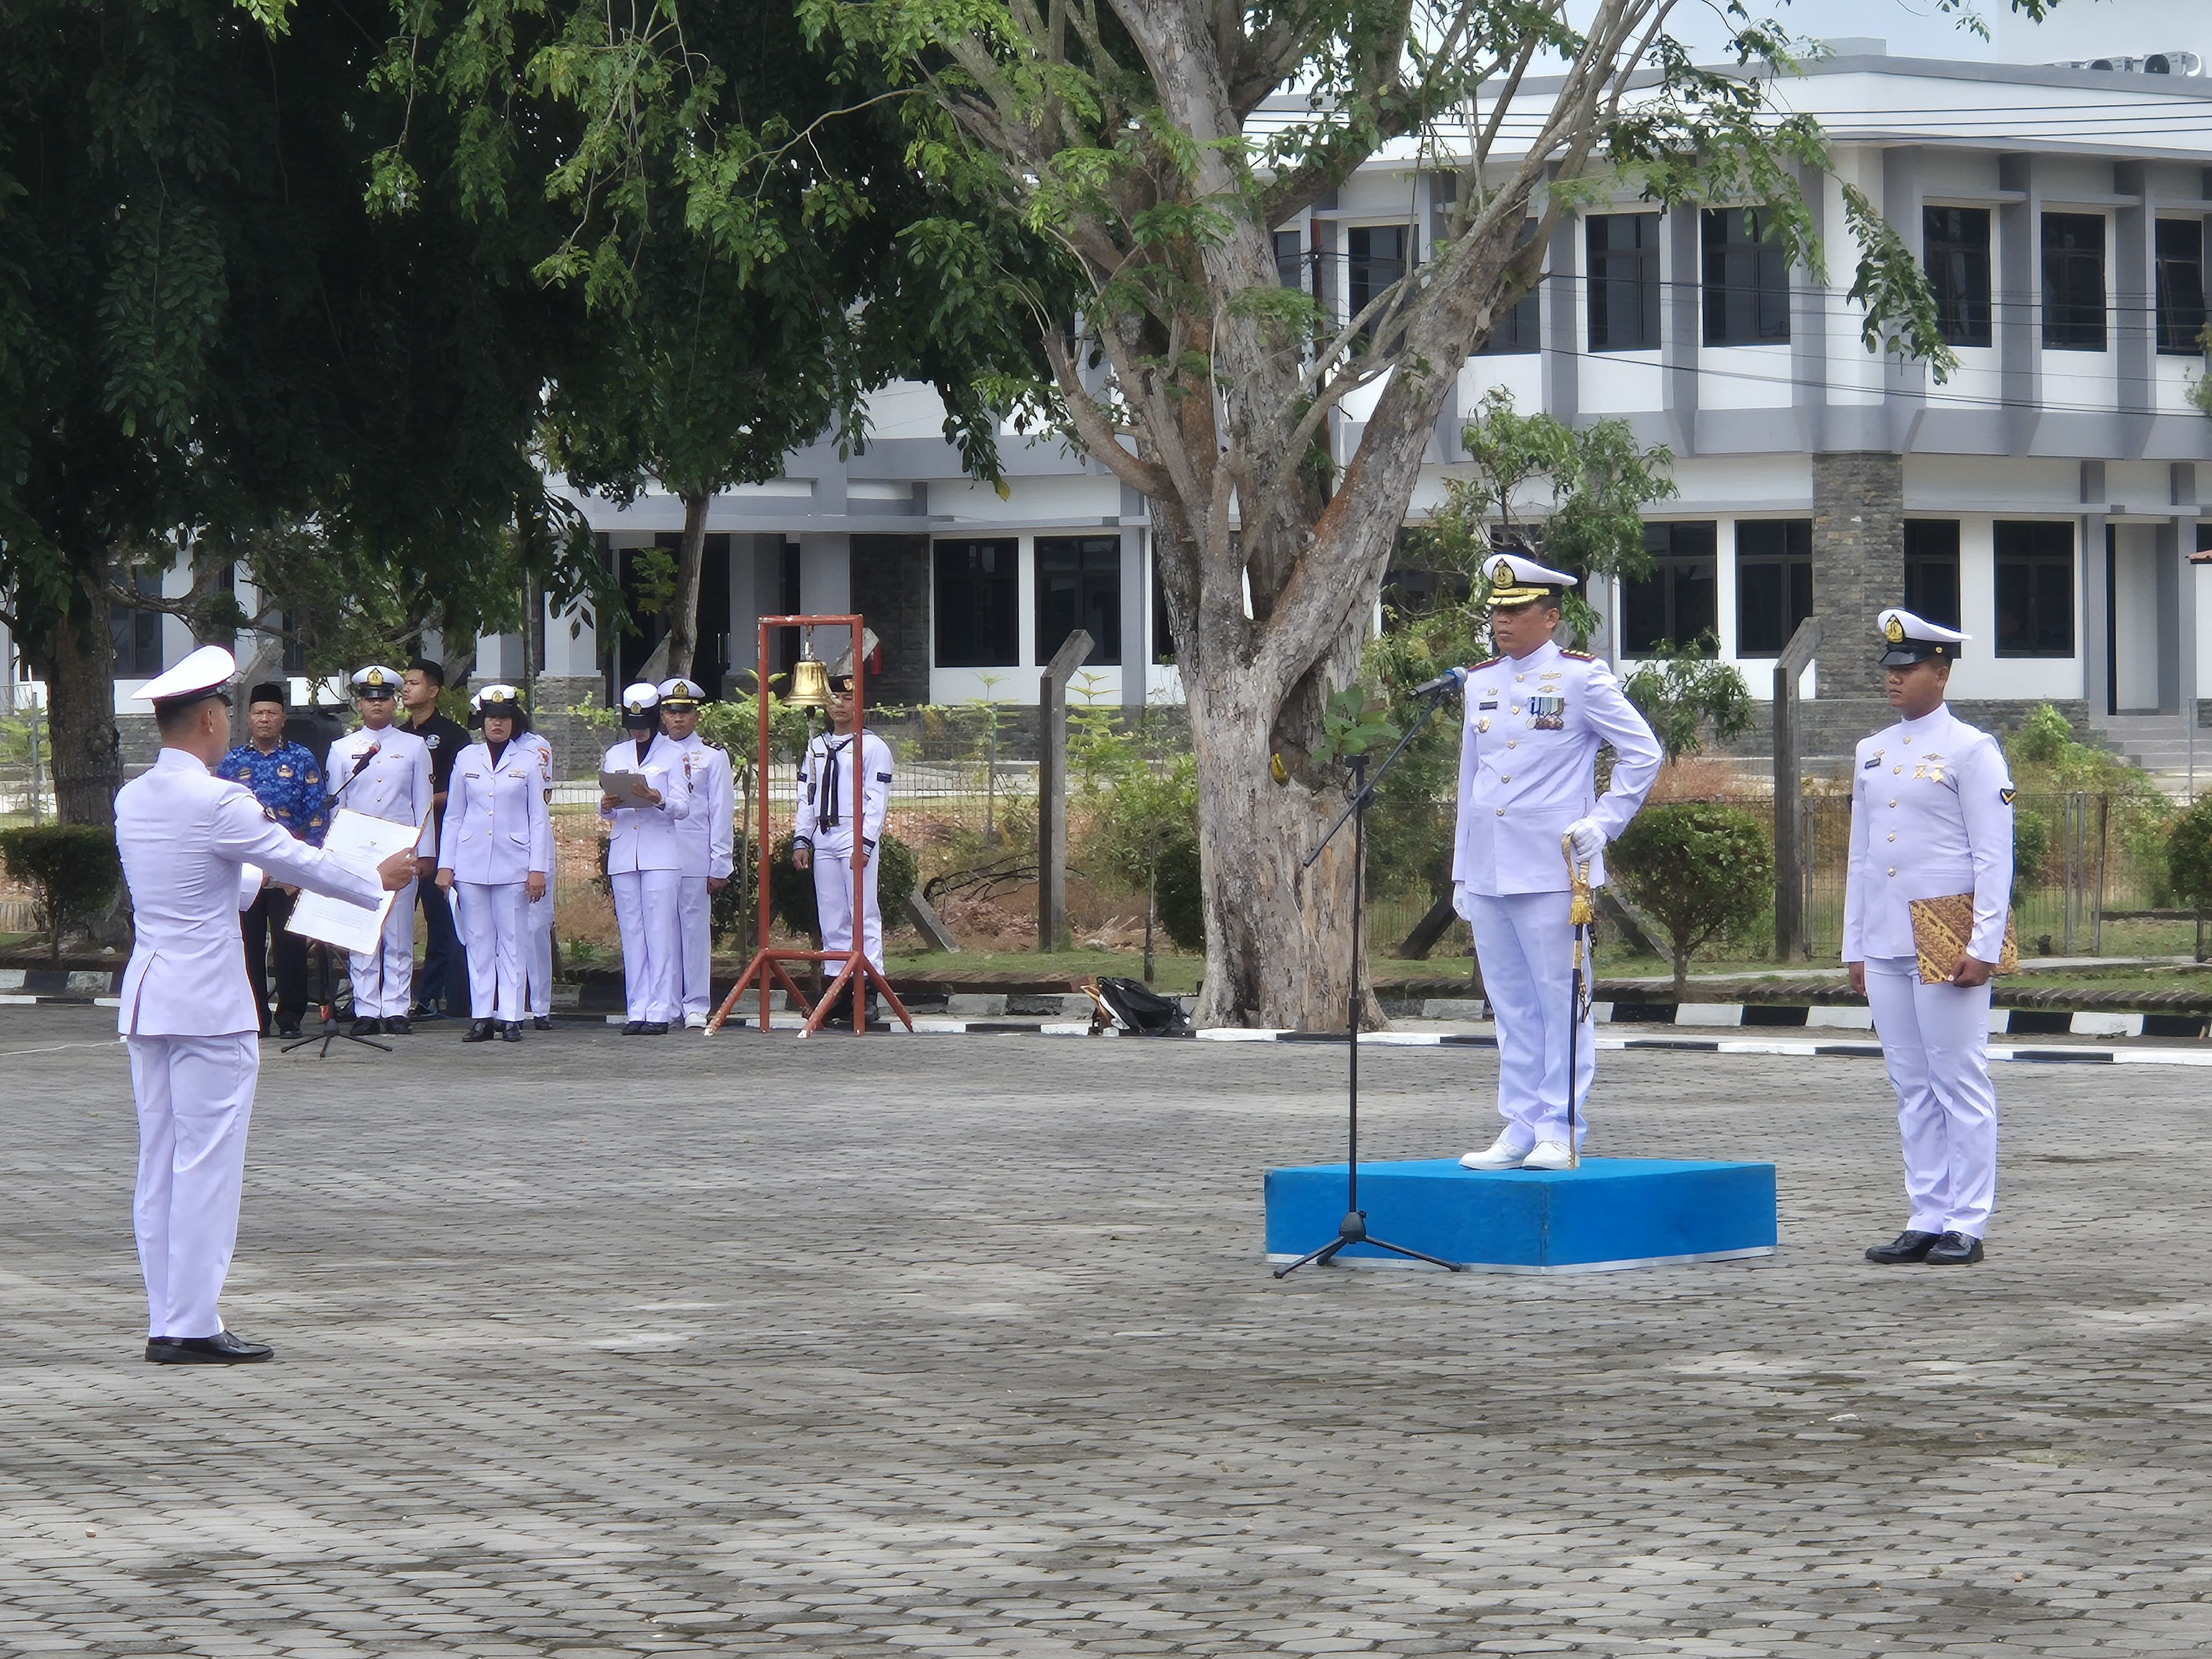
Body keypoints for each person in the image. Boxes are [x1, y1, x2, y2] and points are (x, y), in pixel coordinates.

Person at [117, 645, 416, 1364]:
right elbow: (295, 858)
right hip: (209, 1007)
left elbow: (212, 873)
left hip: (151, 998)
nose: (230, 722)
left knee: (159, 1164)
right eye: (226, 711)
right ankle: (192, 1323)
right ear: (210, 719)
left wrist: (266, 876)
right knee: (207, 1168)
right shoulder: (220, 799)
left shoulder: (135, 796)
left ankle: (166, 1317)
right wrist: (372, 877)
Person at [1452, 549, 1662, 1172]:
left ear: (1550, 617)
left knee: (1561, 1002)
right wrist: (1461, 869)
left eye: (1517, 611)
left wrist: (1604, 821)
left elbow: (1643, 752)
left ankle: (1560, 1125)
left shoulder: (1581, 679)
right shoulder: (1480, 682)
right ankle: (1520, 1124)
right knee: (1510, 1005)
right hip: (1490, 867)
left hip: (1552, 869)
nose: (1502, 621)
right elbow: (1470, 781)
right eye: (1497, 611)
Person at [1845, 608, 2015, 1268]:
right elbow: (1861, 856)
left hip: (1946, 928)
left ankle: (1966, 1221)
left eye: (1908, 668)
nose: (1894, 679)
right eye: (1889, 668)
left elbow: (1993, 856)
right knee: (1910, 1082)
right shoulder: (1872, 749)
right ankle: (1926, 1214)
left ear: (1940, 675)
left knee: (1958, 1078)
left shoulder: (1971, 749)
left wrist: (1984, 944)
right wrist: (1854, 945)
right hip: (1886, 932)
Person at [437, 685, 552, 1043]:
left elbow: (538, 819)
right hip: (471, 862)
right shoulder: (467, 758)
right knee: (478, 942)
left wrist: (537, 869)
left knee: (513, 941)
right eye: (491, 718)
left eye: (504, 718)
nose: (497, 724)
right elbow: (454, 815)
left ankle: (512, 1016)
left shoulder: (528, 760)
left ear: (514, 721)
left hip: (514, 863)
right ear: (482, 722)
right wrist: (446, 864)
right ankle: (482, 1015)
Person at [213, 682, 326, 1039]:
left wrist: (302, 870)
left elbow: (317, 816)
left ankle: (290, 1018)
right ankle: (255, 1017)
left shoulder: (302, 759)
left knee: (290, 945)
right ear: (248, 718)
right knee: (246, 945)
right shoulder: (232, 762)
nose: (265, 719)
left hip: (287, 869)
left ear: (283, 719)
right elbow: (218, 818)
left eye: (272, 713)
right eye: (259, 713)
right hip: (245, 871)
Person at [792, 666, 893, 1017]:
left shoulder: (872, 747)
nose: (840, 705)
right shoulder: (817, 746)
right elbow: (807, 795)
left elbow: (876, 800)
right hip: (824, 834)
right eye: (834, 698)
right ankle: (837, 988)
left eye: (848, 698)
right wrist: (801, 838)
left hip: (854, 831)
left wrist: (865, 843)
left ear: (860, 703)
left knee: (863, 914)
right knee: (832, 915)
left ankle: (869, 989)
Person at [599, 682, 693, 1034]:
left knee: (660, 932)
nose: (637, 731)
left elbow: (683, 807)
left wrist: (658, 798)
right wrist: (606, 805)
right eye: (632, 724)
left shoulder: (673, 754)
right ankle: (636, 1008)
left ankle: (661, 1010)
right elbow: (608, 809)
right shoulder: (616, 754)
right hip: (625, 851)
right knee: (632, 932)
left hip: (660, 852)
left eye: (643, 724)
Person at [658, 676, 735, 1030]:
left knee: (693, 932)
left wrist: (720, 863)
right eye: (671, 712)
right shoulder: (652, 754)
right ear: (662, 715)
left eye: (685, 712)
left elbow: (721, 811)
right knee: (662, 932)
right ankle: (666, 1001)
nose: (678, 719)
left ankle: (695, 1003)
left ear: (696, 715)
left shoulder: (712, 756)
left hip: (694, 855)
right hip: (657, 856)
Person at [399, 658, 472, 1020]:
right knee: (394, 919)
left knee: (439, 921)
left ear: (433, 690)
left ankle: (431, 997)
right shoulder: (397, 736)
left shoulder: (454, 736)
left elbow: (462, 791)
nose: (405, 688)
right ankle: (387, 997)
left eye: (414, 683)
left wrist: (422, 799)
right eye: (405, 682)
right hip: (402, 840)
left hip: (439, 838)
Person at [510, 708, 559, 1031]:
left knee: (536, 927)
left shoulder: (536, 747)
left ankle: (540, 1005)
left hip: (532, 840)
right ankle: (506, 1004)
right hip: (494, 848)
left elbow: (541, 800)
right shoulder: (476, 754)